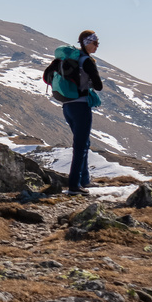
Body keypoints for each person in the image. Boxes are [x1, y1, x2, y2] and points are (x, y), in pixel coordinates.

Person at [62, 30, 103, 195]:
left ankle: (84, 180)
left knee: (83, 143)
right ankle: (74, 185)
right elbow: (99, 86)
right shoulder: (87, 61)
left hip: (67, 106)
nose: (97, 46)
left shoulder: (73, 58)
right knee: (80, 146)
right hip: (81, 106)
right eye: (95, 43)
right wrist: (91, 82)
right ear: (87, 43)